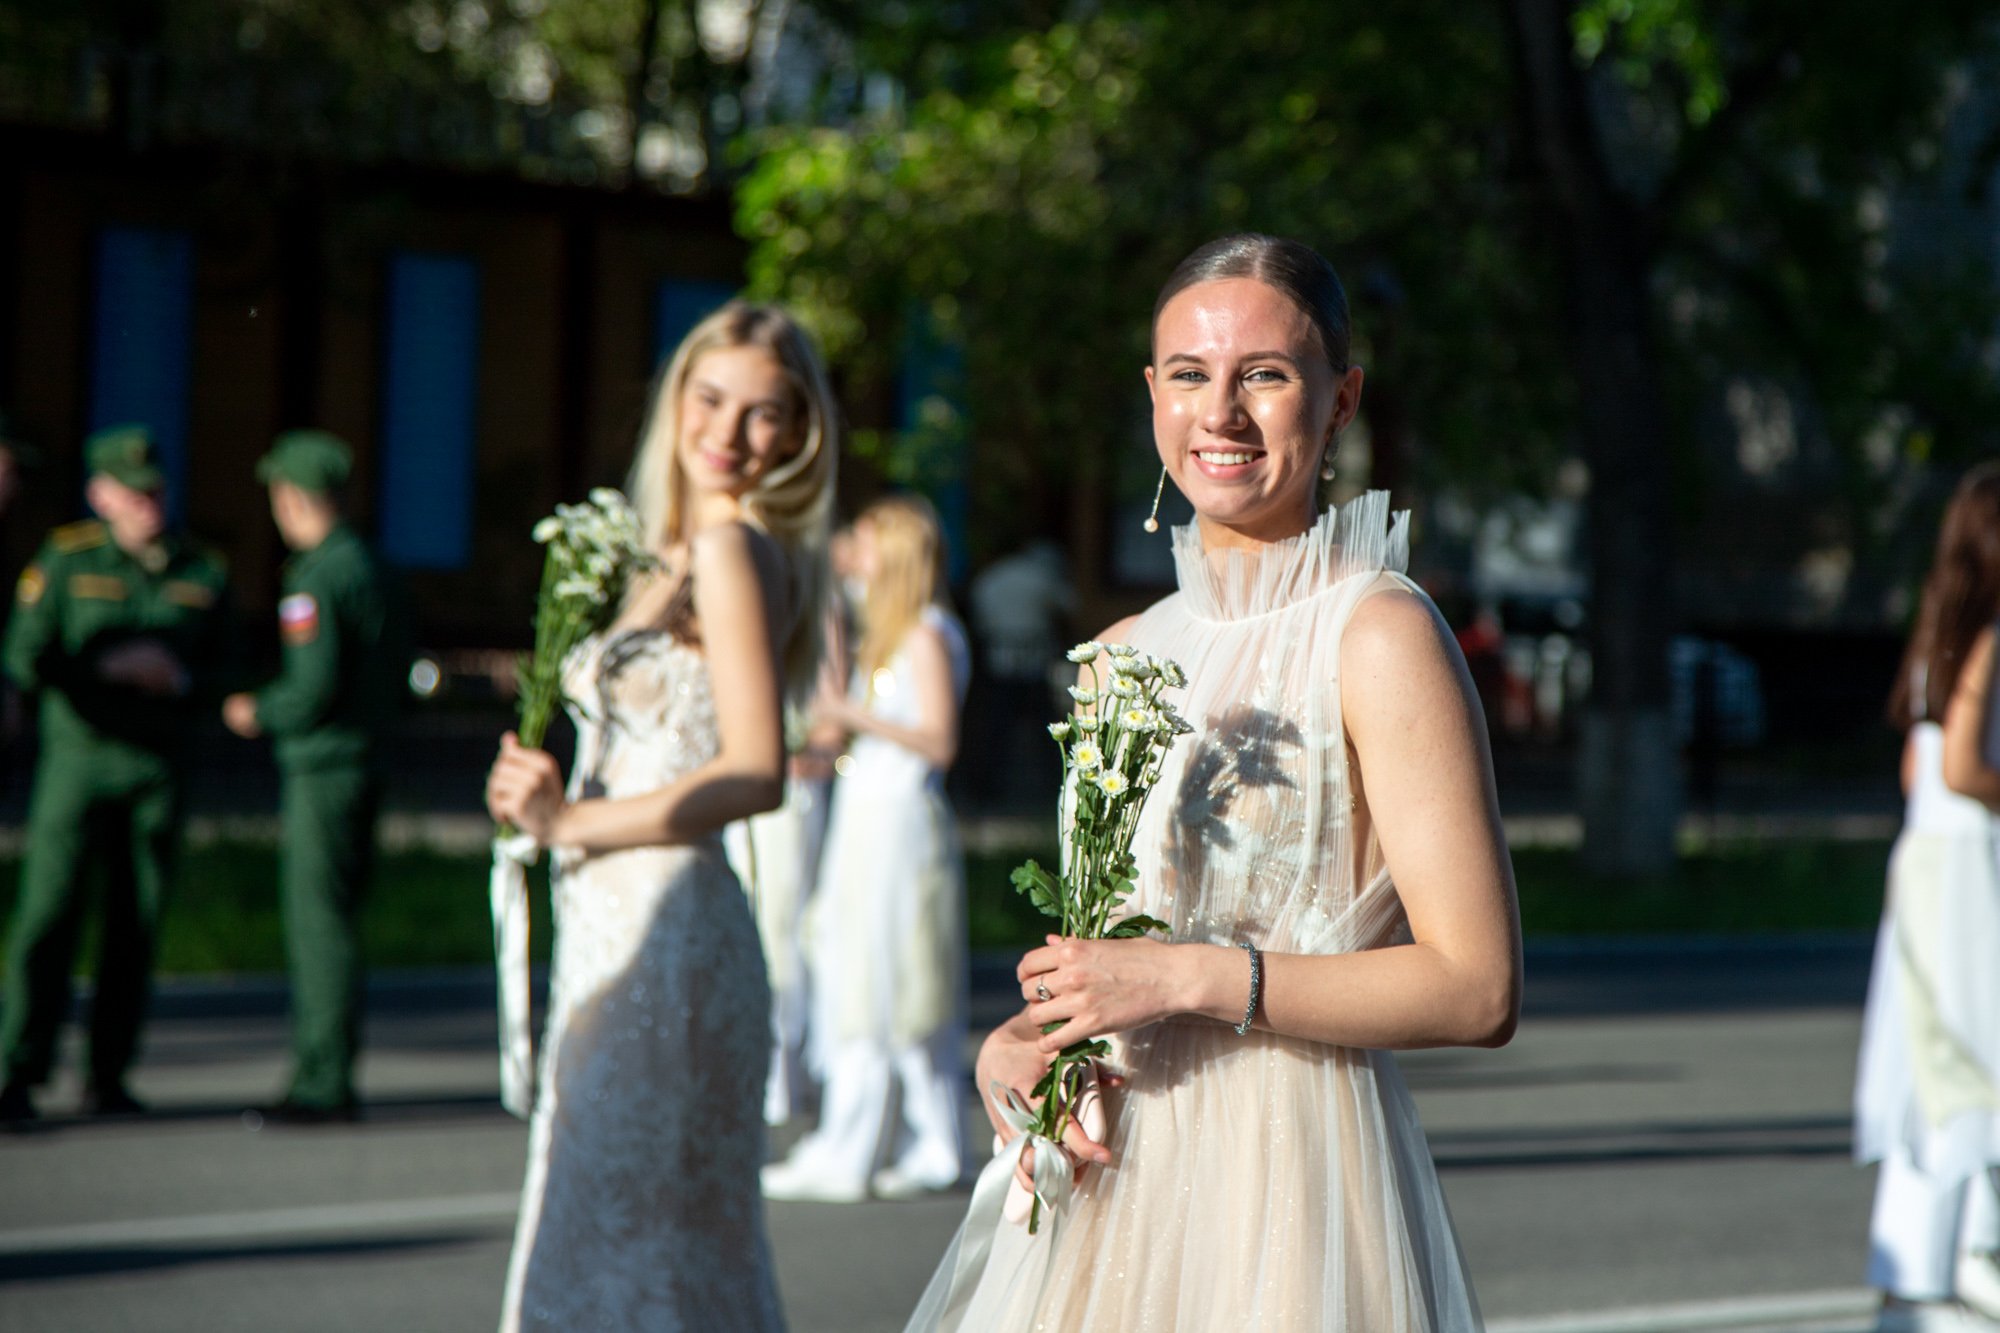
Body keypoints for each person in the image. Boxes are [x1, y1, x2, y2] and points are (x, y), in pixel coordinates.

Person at [907, 235, 1521, 1330]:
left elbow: (1475, 989)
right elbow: (1114, 959)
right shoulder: (1113, 656)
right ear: (1151, 394)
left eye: (1266, 375)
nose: (1221, 412)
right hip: (1112, 1192)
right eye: (1189, 373)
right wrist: (1026, 1046)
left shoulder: (1376, 635)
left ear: (1338, 402)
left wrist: (1188, 978)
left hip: (1289, 1186)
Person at [483, 301, 835, 1331]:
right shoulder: (659, 557)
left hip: (669, 930)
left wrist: (567, 825)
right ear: (675, 398)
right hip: (611, 928)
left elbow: (758, 770)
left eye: (764, 413)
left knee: (642, 1244)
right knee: (607, 1224)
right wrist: (534, 791)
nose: (727, 432)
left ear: (799, 431)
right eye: (710, 397)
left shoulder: (731, 548)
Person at [0, 424, 230, 1123]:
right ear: (101, 494)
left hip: (155, 768)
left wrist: (180, 677)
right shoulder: (67, 561)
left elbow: (227, 670)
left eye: (155, 489)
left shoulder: (201, 571)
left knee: (136, 924)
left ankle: (109, 1074)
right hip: (79, 760)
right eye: (132, 492)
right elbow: (26, 657)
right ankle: (18, 1067)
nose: (147, 503)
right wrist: (106, 667)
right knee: (48, 916)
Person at [763, 493, 973, 1202]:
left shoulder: (924, 633)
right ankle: (884, 1139)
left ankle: (888, 1144)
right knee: (862, 971)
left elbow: (939, 740)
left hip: (897, 825)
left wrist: (852, 715)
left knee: (892, 978)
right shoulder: (890, 634)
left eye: (869, 540)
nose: (855, 550)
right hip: (866, 813)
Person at [1856, 461, 2000, 1332]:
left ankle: (1910, 1260)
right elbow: (1958, 767)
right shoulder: (1992, 635)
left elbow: (1920, 765)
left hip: (1922, 859)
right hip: (1968, 870)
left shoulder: (1938, 631)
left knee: (1927, 1056)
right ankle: (1976, 1248)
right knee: (1978, 1053)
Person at [224, 430, 404, 1125]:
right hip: (367, 756)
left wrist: (254, 709)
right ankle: (327, 1067)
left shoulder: (317, 574)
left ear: (291, 497)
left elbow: (311, 686)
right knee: (340, 915)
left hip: (324, 763)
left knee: (318, 923)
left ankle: (322, 1079)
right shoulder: (373, 565)